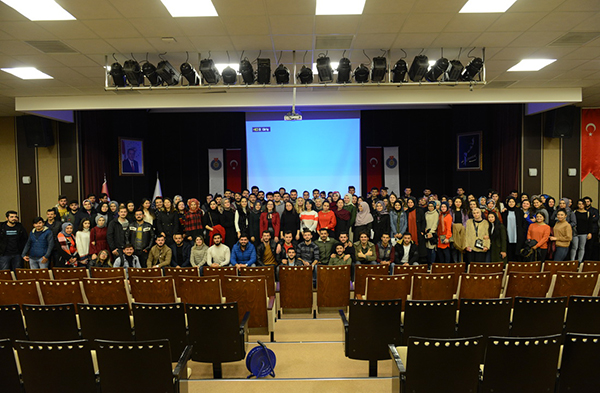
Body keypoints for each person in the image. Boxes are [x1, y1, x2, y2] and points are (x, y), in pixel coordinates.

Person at [501, 197, 526, 262]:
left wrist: (522, 232)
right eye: (510, 202)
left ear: (515, 203)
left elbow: (523, 223)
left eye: (513, 202)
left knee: (517, 252)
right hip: (508, 234)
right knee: (509, 251)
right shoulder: (505, 212)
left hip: (517, 234)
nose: (511, 203)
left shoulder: (519, 211)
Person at [571, 199, 592, 263]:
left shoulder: (587, 213)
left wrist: (589, 233)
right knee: (574, 247)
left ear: (584, 205)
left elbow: (590, 224)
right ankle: (572, 261)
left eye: (582, 204)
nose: (581, 205)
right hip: (575, 233)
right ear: (577, 205)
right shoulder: (574, 212)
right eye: (579, 204)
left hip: (584, 233)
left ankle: (579, 261)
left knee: (582, 248)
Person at [424, 201, 439, 265]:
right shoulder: (426, 213)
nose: (430, 207)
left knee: (432, 249)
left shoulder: (436, 213)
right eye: (429, 206)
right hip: (426, 233)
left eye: (432, 206)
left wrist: (431, 233)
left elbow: (435, 224)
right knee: (427, 249)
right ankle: (428, 264)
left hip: (432, 233)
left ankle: (432, 264)